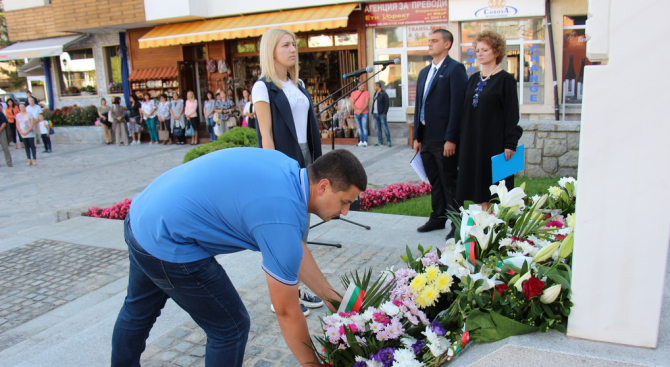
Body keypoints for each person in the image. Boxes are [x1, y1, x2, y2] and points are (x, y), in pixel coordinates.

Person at [111, 148, 366, 367]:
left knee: (137, 311)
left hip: (143, 214)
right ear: (323, 186)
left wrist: (331, 297)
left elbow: (292, 250)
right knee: (230, 327)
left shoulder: (288, 171)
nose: (345, 211)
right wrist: (313, 364)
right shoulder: (281, 216)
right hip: (168, 240)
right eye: (345, 202)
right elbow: (287, 311)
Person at [253, 28, 325, 316]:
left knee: (301, 227)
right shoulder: (263, 87)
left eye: (294, 45)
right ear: (272, 50)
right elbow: (265, 134)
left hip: (307, 158)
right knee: (286, 229)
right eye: (286, 45)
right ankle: (283, 295)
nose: (293, 49)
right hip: (283, 160)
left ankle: (297, 286)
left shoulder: (298, 84)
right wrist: (274, 173)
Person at [456, 30, 523, 211]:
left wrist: (511, 143)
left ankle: (492, 228)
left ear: (496, 52)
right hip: (472, 142)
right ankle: (482, 226)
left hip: (493, 143)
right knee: (476, 188)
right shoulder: (472, 80)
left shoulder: (505, 80)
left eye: (485, 50)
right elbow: (465, 113)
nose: (480, 53)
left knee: (492, 190)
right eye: (477, 50)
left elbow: (512, 115)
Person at [412, 29, 468, 238]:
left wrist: (451, 138)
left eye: (435, 41)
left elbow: (458, 106)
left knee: (449, 182)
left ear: (447, 44)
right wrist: (417, 136)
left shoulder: (455, 69)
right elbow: (419, 105)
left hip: (445, 138)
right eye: (429, 40)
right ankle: (438, 218)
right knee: (435, 180)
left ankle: (457, 223)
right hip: (426, 136)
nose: (430, 44)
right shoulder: (424, 72)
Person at [372, 81, 391, 147]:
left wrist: (384, 113)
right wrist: (372, 112)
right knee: (378, 128)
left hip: (381, 114)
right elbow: (373, 103)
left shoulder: (384, 94)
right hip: (375, 113)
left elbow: (387, 104)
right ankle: (380, 141)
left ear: (378, 86)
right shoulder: (375, 94)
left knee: (384, 127)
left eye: (374, 86)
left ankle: (388, 140)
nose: (374, 87)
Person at [351, 82, 370, 147]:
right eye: (362, 86)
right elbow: (352, 103)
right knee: (359, 127)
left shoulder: (366, 93)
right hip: (356, 113)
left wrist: (361, 110)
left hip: (364, 113)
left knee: (364, 127)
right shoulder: (353, 93)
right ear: (358, 86)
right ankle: (361, 141)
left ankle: (365, 141)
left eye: (363, 86)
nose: (363, 87)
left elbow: (367, 103)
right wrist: (357, 110)